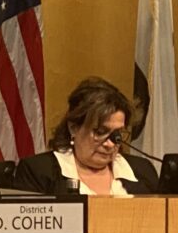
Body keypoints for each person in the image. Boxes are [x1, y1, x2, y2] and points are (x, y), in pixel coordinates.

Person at [14, 77, 159, 195]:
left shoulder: (142, 171)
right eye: (100, 132)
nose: (110, 144)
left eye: (116, 134)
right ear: (73, 128)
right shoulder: (39, 172)